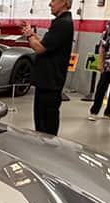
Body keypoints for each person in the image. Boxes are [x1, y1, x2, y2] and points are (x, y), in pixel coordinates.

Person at [22, 0, 74, 135]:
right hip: (47, 82)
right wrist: (33, 35)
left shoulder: (63, 23)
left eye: (54, 0)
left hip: (51, 82)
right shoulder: (60, 22)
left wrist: (28, 36)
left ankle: (48, 148)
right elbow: (47, 43)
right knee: (41, 120)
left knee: (46, 124)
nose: (50, 4)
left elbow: (39, 48)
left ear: (64, 2)